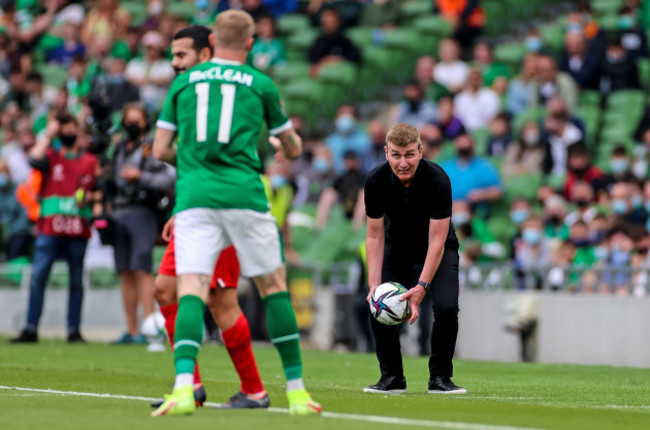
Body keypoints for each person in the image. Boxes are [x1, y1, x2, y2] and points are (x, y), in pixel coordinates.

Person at [152, 10, 321, 416]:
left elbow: (159, 149)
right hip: (245, 195)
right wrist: (287, 146)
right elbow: (292, 147)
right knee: (273, 287)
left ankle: (182, 390)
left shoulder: (183, 83)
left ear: (213, 41)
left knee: (190, 289)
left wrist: (193, 163)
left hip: (196, 198)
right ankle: (296, 392)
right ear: (250, 43)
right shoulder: (261, 83)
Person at [147, 24, 272, 410]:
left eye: (181, 55)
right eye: (172, 56)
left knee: (221, 302)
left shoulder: (225, 96)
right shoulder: (188, 95)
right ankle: (192, 386)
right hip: (194, 210)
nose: (174, 63)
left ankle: (254, 390)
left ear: (206, 54)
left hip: (222, 212)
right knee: (165, 290)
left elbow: (210, 161)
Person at [363, 122, 465, 394]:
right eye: (396, 154)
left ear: (421, 151)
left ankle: (440, 378)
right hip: (396, 245)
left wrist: (421, 286)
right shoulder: (374, 180)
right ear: (386, 153)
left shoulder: (438, 179)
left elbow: (436, 241)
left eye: (409, 154)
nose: (403, 162)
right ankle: (392, 378)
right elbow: (374, 236)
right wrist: (374, 285)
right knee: (378, 303)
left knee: (445, 307)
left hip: (438, 246)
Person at [10, 112, 99, 343]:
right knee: (38, 278)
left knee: (76, 282)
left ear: (79, 131)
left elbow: (99, 192)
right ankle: (30, 328)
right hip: (49, 230)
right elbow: (33, 158)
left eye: (72, 128)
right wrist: (49, 134)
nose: (68, 133)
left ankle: (73, 330)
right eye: (64, 129)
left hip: (78, 230)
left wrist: (90, 198)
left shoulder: (90, 161)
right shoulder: (50, 157)